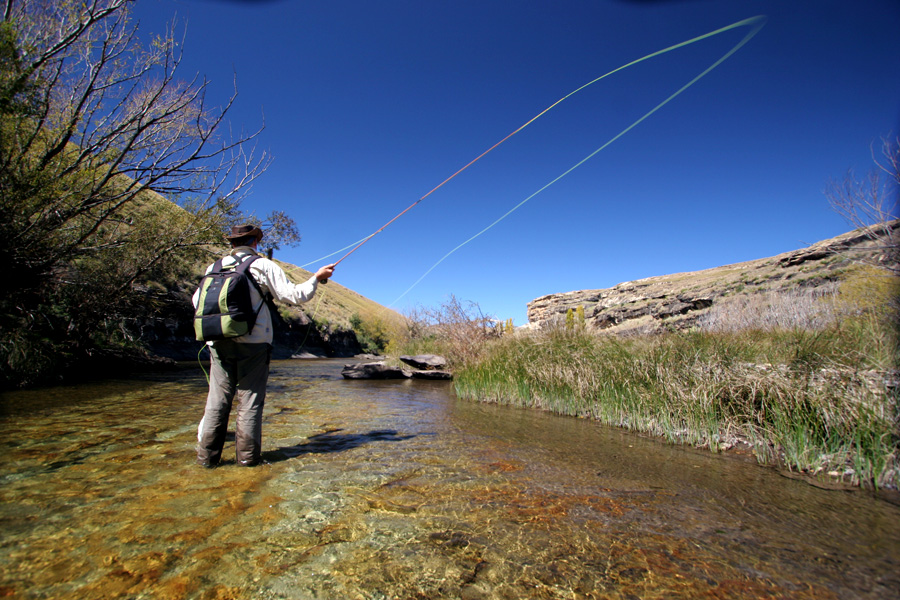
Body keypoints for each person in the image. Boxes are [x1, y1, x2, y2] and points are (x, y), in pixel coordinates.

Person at [193, 224, 335, 468]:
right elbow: (294, 295)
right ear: (255, 242)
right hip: (254, 344)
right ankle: (248, 462)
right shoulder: (263, 265)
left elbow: (197, 301)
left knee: (217, 402)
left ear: (233, 243)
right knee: (249, 403)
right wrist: (317, 278)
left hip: (217, 343)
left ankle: (206, 460)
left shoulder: (213, 267)